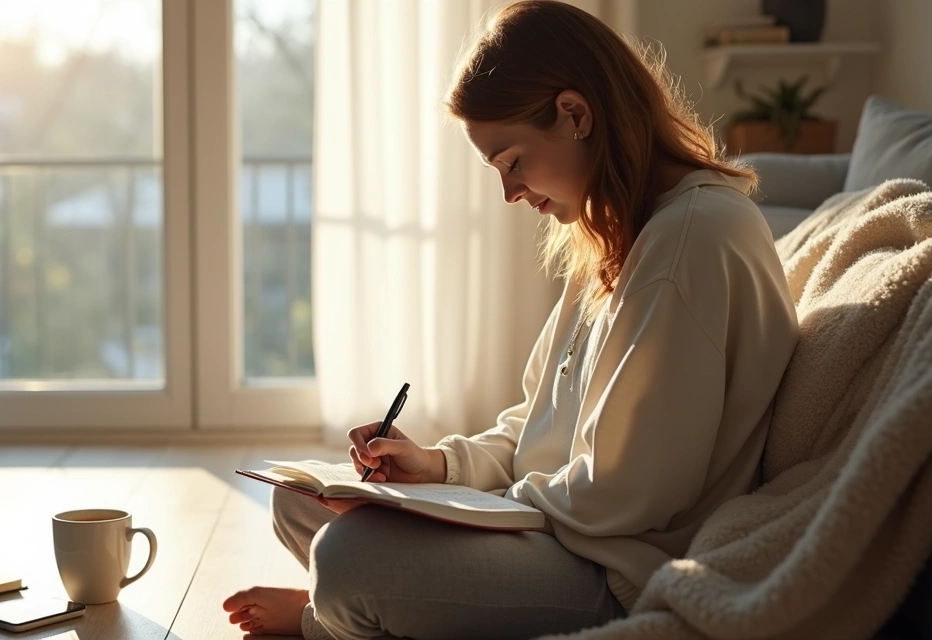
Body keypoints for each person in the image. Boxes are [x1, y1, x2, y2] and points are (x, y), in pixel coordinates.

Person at [222, 1, 800, 638]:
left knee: (344, 558)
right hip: (560, 526)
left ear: (575, 114)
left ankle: (322, 617)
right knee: (298, 499)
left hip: (614, 566)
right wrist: (439, 470)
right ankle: (349, 610)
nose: (510, 193)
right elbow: (537, 426)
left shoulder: (691, 240)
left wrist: (482, 508)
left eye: (512, 162)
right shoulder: (621, 235)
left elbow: (631, 493)